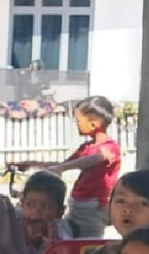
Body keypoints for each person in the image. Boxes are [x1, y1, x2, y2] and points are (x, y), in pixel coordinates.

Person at [13, 96, 120, 238]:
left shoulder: (109, 148)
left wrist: (63, 168)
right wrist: (32, 163)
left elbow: (94, 159)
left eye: (79, 121)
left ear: (94, 124)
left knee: (87, 244)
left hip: (92, 210)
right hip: (77, 205)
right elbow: (62, 163)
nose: (77, 125)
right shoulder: (86, 147)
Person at [18, 171, 72, 254]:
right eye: (30, 204)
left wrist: (50, 251)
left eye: (44, 206)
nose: (35, 211)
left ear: (60, 212)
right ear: (22, 204)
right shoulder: (11, 232)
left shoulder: (62, 243)